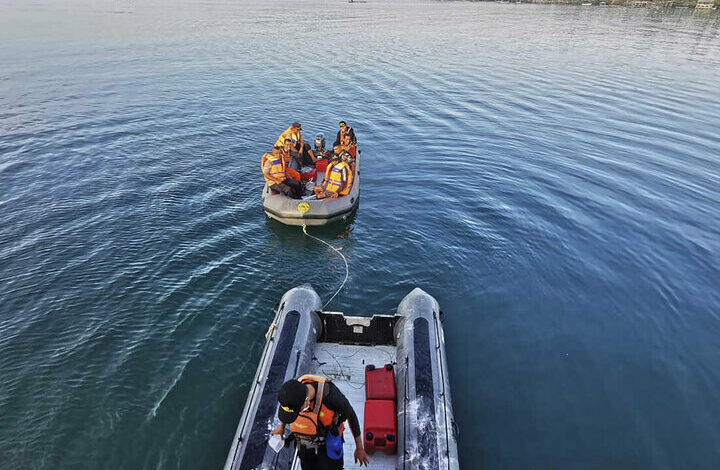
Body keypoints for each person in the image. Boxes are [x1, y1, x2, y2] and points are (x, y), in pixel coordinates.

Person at [272, 375, 369, 469]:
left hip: (328, 444)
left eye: (297, 412)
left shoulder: (332, 396)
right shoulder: (291, 391)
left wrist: (359, 447)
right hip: (305, 444)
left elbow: (351, 415)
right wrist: (282, 427)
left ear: (306, 402)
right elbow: (288, 409)